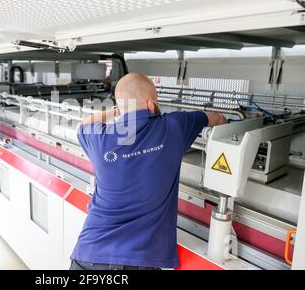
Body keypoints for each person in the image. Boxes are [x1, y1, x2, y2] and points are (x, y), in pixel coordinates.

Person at [69, 73, 227, 270]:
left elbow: (81, 125)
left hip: (89, 256)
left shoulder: (100, 137)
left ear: (120, 106)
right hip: (141, 261)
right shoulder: (174, 126)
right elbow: (218, 118)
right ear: (151, 103)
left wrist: (117, 111)